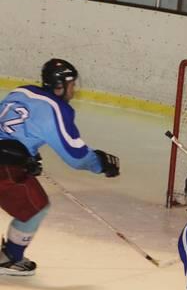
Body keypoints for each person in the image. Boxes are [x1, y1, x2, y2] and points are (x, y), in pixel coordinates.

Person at [0, 58, 120, 276]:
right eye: (71, 84)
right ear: (59, 86)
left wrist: (28, 156)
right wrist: (100, 164)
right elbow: (76, 156)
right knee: (35, 207)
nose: (73, 90)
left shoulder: (21, 91)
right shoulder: (57, 109)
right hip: (4, 166)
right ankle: (10, 258)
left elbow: (12, 127)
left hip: (7, 158)